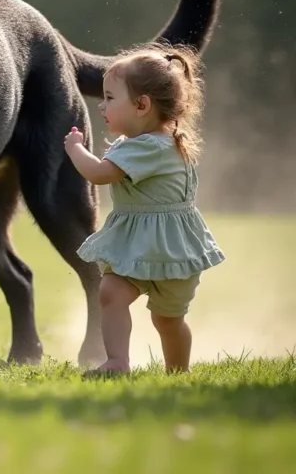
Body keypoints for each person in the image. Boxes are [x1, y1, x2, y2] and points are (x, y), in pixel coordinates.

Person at [64, 43, 224, 375]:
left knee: (167, 320)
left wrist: (76, 150)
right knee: (112, 292)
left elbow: (99, 174)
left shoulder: (149, 147)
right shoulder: (147, 144)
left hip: (166, 250)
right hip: (142, 247)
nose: (101, 105)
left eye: (109, 97)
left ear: (141, 105)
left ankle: (177, 372)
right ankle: (118, 361)